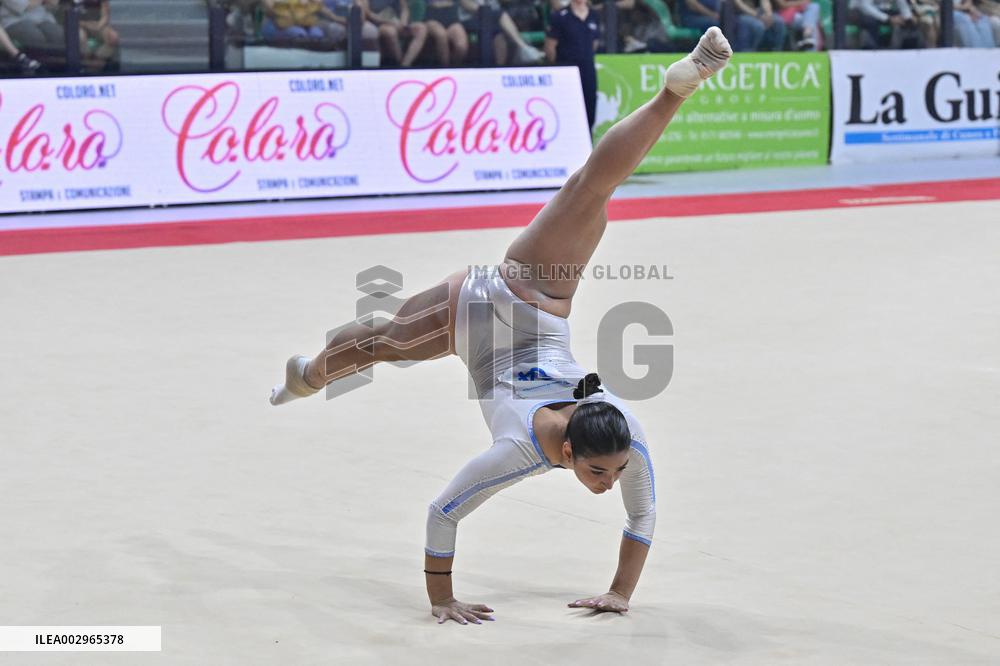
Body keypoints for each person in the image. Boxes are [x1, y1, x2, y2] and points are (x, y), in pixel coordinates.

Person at [269, 28, 733, 625]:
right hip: (508, 299)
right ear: (568, 450)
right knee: (382, 344)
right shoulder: (520, 450)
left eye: (613, 471)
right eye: (599, 472)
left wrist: (620, 592)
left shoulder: (624, 438)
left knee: (591, 190)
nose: (610, 480)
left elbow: (640, 515)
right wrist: (442, 602)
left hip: (505, 315)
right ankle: (308, 374)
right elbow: (443, 512)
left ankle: (675, 91)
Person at [545, 0, 600, 131]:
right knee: (566, 109)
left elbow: (595, 43)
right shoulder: (560, 16)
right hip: (566, 72)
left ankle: (588, 144)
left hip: (587, 70)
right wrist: (558, 67)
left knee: (590, 109)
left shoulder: (594, 15)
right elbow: (550, 47)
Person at [360, 0, 429, 66]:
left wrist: (403, 22)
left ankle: (406, 64)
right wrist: (389, 22)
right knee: (390, 32)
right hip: (379, 24)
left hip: (397, 22)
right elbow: (368, 14)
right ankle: (398, 64)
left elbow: (404, 9)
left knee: (421, 29)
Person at [423, 0, 468, 65]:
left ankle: (455, 68)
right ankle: (445, 68)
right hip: (431, 17)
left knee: (461, 46)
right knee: (441, 35)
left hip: (452, 19)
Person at [78, 0, 119, 71]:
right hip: (80, 25)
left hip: (97, 25)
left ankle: (98, 61)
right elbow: (70, 16)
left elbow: (105, 16)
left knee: (113, 36)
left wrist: (98, 26)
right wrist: (86, 25)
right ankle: (86, 63)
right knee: (80, 37)